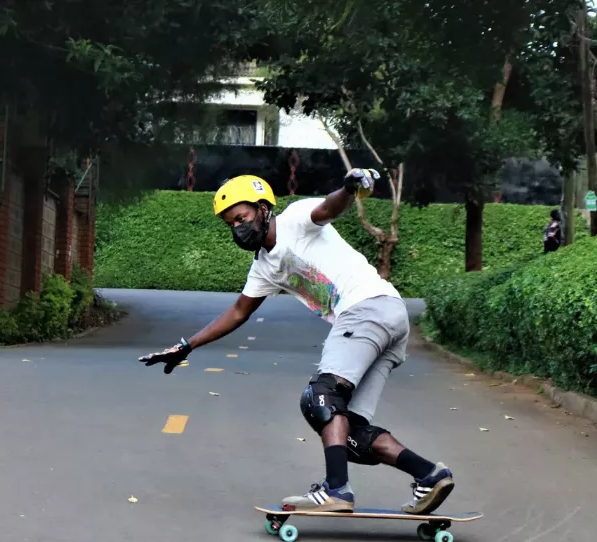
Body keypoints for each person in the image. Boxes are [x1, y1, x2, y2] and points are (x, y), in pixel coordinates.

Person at [139, 172, 455, 515]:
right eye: (231, 224)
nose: (237, 229)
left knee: (321, 397)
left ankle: (336, 491)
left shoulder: (295, 220)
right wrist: (187, 345)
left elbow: (327, 209)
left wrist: (349, 188)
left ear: (262, 208)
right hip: (387, 319)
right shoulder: (263, 268)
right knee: (351, 434)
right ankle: (428, 474)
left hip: (366, 308)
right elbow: (238, 312)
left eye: (241, 218)